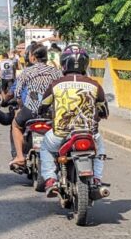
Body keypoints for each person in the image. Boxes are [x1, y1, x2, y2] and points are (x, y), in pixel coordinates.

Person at [38, 44, 108, 197]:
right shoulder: (95, 85)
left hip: (61, 133)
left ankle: (50, 179)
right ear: (85, 64)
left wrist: (42, 112)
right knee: (100, 151)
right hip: (89, 133)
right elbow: (104, 110)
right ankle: (96, 179)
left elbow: (43, 105)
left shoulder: (56, 85)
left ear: (64, 63)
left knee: (45, 147)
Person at [4, 44, 62, 172]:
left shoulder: (27, 72)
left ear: (33, 57)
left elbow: (18, 93)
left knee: (15, 125)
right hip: (51, 111)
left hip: (31, 109)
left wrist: (19, 105)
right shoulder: (56, 72)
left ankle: (19, 157)